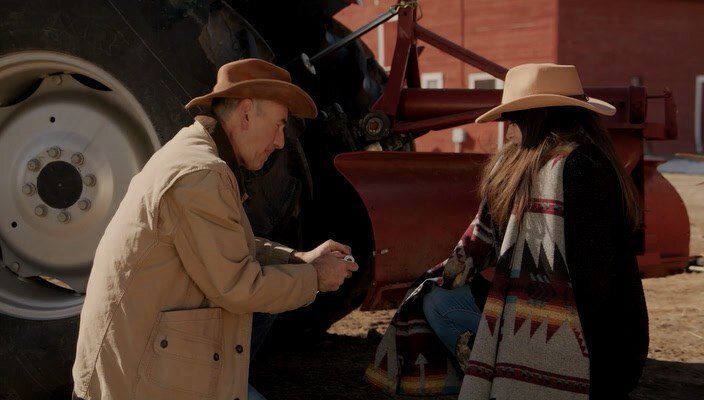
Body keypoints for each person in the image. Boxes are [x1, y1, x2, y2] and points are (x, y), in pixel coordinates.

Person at [72, 58, 358, 400]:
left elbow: (231, 244)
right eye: (279, 125)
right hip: (137, 384)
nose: (281, 142)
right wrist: (315, 277)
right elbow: (237, 287)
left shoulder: (196, 155)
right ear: (246, 113)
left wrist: (299, 259)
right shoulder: (201, 174)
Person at [366, 63, 648, 400]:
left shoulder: (578, 170)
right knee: (438, 298)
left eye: (512, 121)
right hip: (602, 343)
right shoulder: (573, 165)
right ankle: (500, 374)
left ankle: (509, 378)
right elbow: (480, 247)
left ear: (537, 119)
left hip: (593, 354)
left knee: (441, 304)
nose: (508, 133)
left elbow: (592, 283)